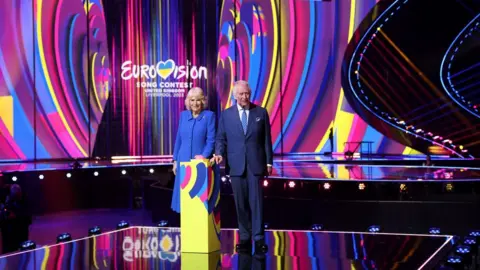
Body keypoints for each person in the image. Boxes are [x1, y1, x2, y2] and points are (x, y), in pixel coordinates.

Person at [212, 80, 273, 254]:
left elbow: (266, 140)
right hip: (236, 166)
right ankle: (245, 238)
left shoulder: (260, 112)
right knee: (240, 204)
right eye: (241, 94)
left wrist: (269, 162)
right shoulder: (226, 115)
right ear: (234, 95)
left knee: (257, 204)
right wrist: (219, 152)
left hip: (256, 165)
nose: (244, 97)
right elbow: (220, 138)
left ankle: (259, 239)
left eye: (246, 93)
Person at [171, 87, 216, 213]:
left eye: (198, 100)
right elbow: (179, 139)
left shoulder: (209, 116)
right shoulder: (183, 116)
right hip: (183, 160)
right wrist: (175, 160)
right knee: (184, 201)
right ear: (188, 102)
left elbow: (211, 140)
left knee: (197, 202)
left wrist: (204, 156)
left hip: (199, 163)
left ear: (203, 101)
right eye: (192, 100)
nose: (195, 103)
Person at [0, 184, 32, 254]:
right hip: (9, 237)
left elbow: (28, 219)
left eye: (17, 195)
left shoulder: (25, 203)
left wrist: (16, 216)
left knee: (22, 253)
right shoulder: (8, 203)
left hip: (20, 235)